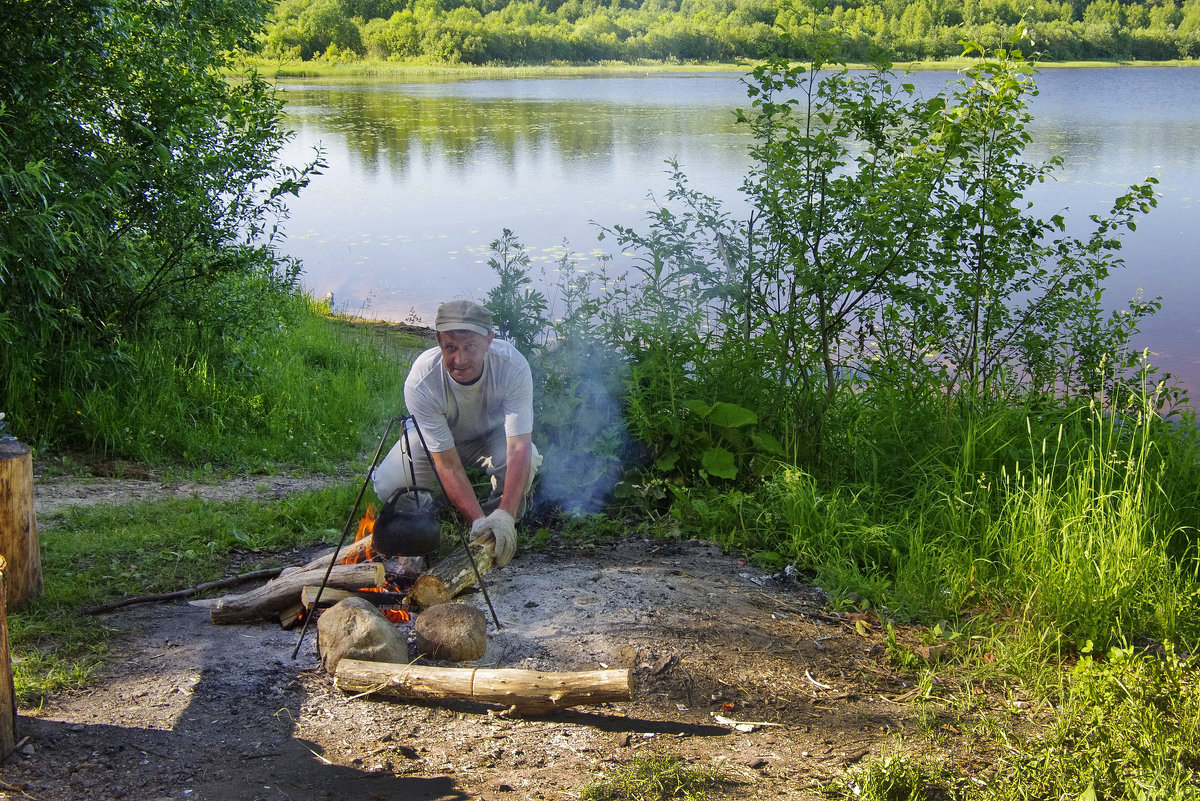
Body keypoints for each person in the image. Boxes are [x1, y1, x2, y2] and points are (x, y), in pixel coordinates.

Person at [372, 300, 541, 566]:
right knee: (388, 483)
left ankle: (498, 526)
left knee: (528, 457)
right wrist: (475, 520)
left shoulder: (512, 367)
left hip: (491, 437)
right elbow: (447, 463)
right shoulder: (422, 380)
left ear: (488, 340)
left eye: (470, 347)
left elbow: (518, 446)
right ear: (438, 340)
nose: (459, 360)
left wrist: (506, 514)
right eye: (450, 347)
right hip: (437, 443)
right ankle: (436, 519)